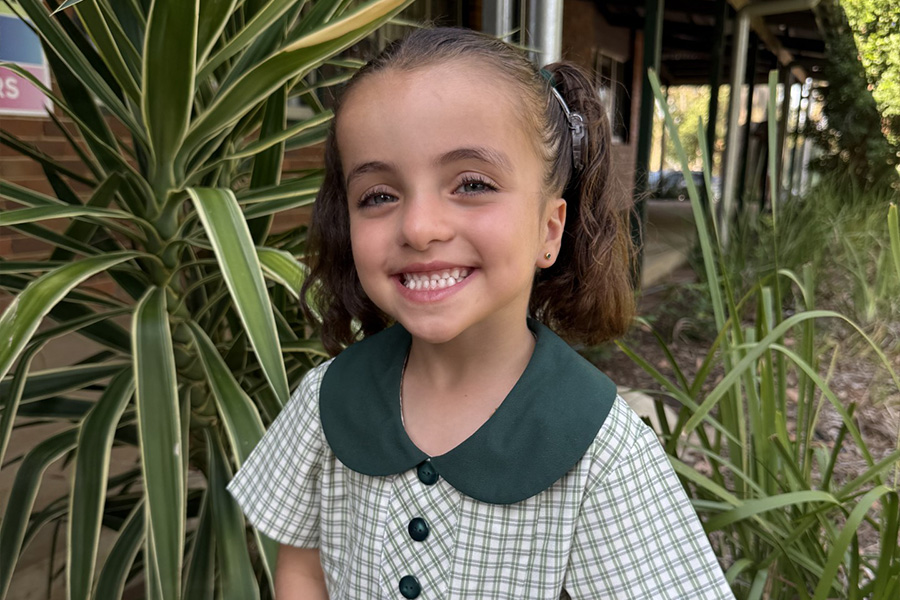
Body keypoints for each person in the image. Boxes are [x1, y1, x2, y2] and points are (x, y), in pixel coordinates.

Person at [228, 27, 734, 600]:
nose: (419, 228)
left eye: (471, 184)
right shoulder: (326, 400)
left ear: (549, 230)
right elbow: (301, 568)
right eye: (378, 195)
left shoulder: (599, 449)